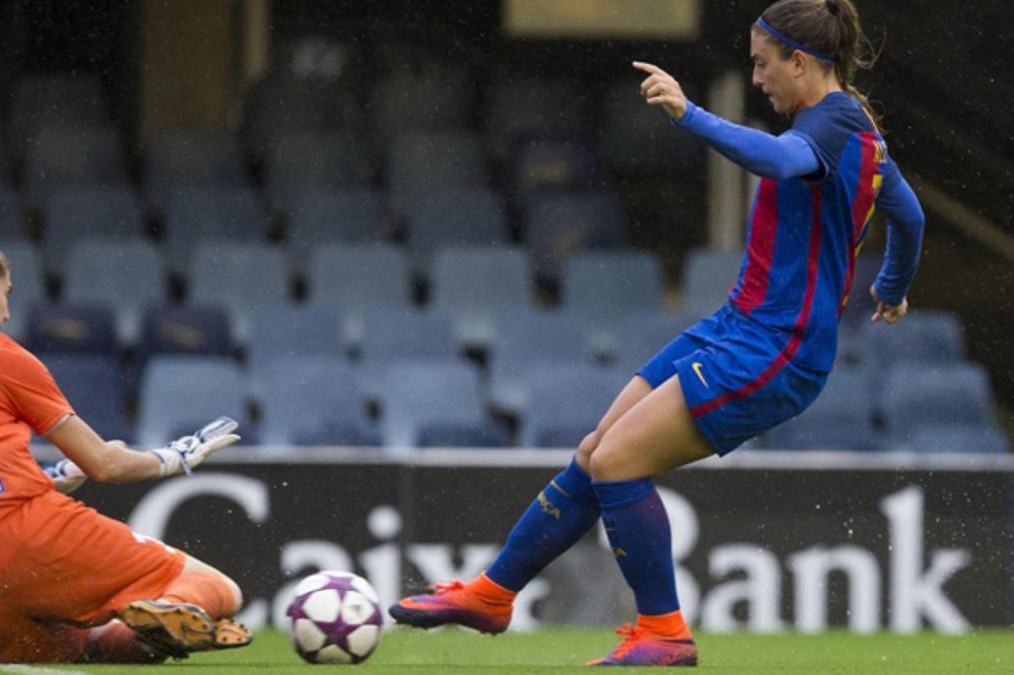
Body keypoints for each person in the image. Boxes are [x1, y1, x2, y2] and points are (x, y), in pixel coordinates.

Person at [390, 0, 924, 667]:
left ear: (801, 61)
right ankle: (492, 593)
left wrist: (688, 113)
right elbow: (911, 216)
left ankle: (665, 630)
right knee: (596, 451)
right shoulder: (860, 132)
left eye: (763, 65)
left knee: (619, 462)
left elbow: (780, 162)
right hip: (736, 326)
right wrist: (893, 289)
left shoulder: (834, 124)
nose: (757, 80)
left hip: (775, 348)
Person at [0, 210, 252, 664]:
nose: (6, 313)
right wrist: (173, 458)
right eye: (5, 295)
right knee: (221, 589)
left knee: (98, 649)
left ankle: (153, 629)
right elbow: (105, 464)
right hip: (28, 540)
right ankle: (167, 609)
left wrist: (49, 478)